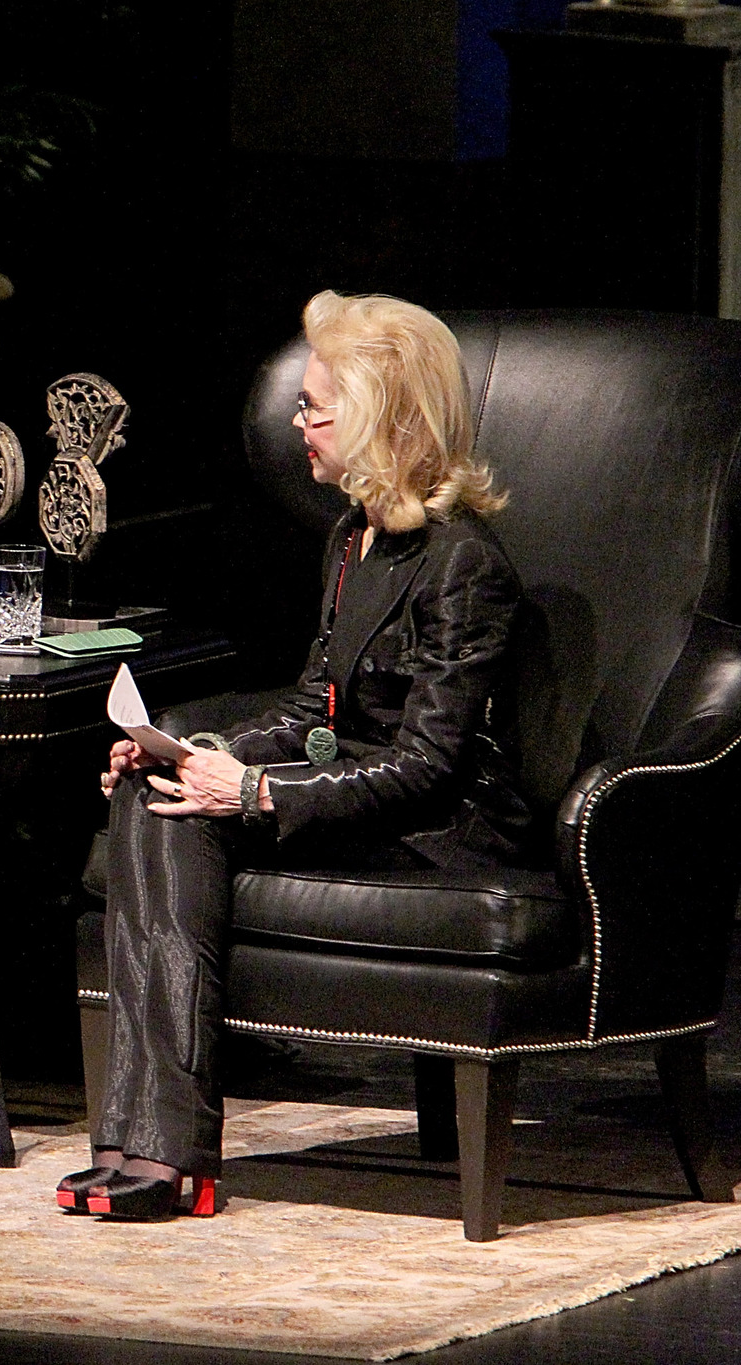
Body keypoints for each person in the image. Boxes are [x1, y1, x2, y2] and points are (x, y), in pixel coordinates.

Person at [59, 290, 529, 1220]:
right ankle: (149, 1141)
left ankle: (167, 1149)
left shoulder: (463, 564)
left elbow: (428, 766)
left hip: (437, 829)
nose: (298, 422)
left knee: (197, 813)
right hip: (351, 795)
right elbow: (313, 705)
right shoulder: (350, 539)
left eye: (317, 405)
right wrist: (203, 756)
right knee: (156, 792)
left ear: (386, 415)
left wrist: (260, 793)